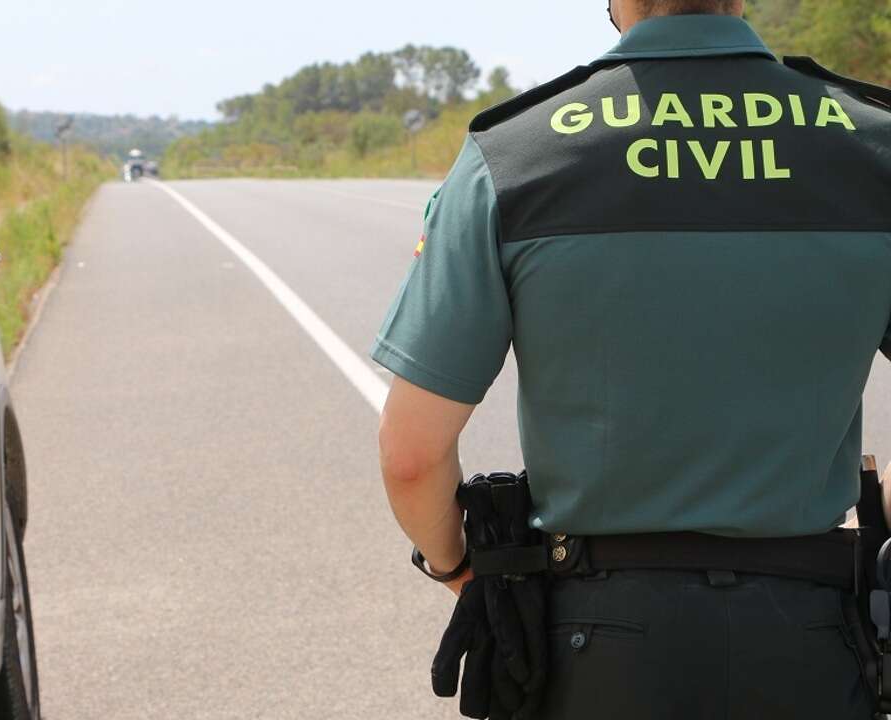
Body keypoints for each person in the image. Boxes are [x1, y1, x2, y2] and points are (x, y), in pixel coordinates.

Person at [372, 0, 891, 717]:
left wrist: (460, 567)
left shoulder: (516, 152)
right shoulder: (873, 145)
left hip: (595, 642)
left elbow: (412, 456)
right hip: (815, 635)